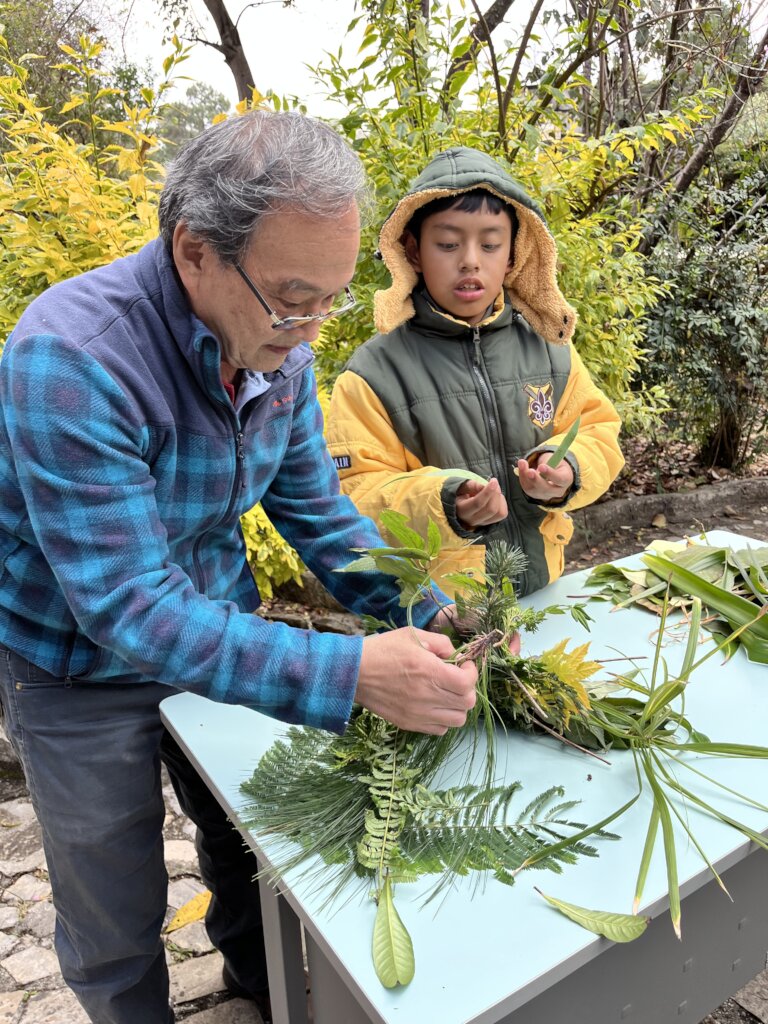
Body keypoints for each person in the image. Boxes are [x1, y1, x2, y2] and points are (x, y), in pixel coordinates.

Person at [0, 112, 479, 1024]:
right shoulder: (72, 357)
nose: (311, 331)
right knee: (111, 894)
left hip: (214, 617)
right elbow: (129, 605)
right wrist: (350, 672)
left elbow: (319, 517)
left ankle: (263, 992)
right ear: (195, 252)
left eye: (331, 301)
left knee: (244, 839)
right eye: (293, 301)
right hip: (73, 665)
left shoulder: (277, 350)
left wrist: (429, 609)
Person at [327, 146, 625, 599]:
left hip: (542, 590)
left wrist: (567, 467)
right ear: (413, 251)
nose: (470, 260)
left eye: (490, 244)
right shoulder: (373, 374)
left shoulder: (549, 349)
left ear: (513, 255)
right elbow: (356, 494)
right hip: (436, 609)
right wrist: (447, 503)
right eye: (448, 244)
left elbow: (598, 430)